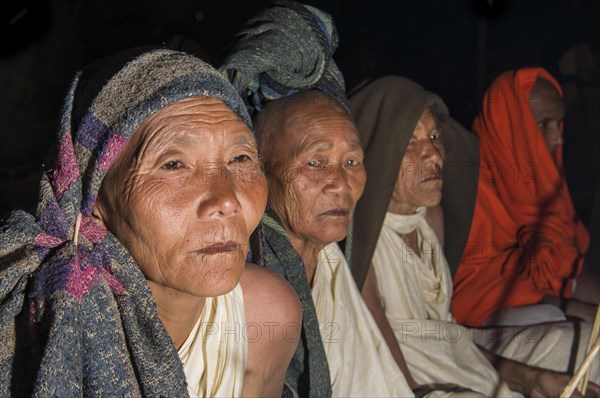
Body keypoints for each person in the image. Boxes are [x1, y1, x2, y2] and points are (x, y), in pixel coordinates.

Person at [0, 47, 300, 397]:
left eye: (240, 157)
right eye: (174, 164)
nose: (227, 200)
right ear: (92, 195)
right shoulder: (24, 329)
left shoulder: (266, 315)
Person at [349, 75, 600, 397]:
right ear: (379, 148)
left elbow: (447, 335)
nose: (436, 156)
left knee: (573, 342)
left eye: (435, 136)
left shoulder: (428, 220)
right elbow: (390, 355)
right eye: (410, 141)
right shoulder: (360, 238)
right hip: (407, 374)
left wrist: (528, 377)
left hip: (458, 350)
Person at [220, 2, 412, 396]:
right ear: (259, 171)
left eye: (352, 161)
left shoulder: (331, 262)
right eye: (315, 161)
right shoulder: (237, 284)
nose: (341, 183)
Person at [451, 67, 598, 328]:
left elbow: (565, 272)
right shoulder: (465, 186)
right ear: (507, 125)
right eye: (543, 124)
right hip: (476, 322)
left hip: (539, 300)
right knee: (563, 327)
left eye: (559, 123)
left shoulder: (547, 183)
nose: (558, 137)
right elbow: (469, 295)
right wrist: (573, 308)